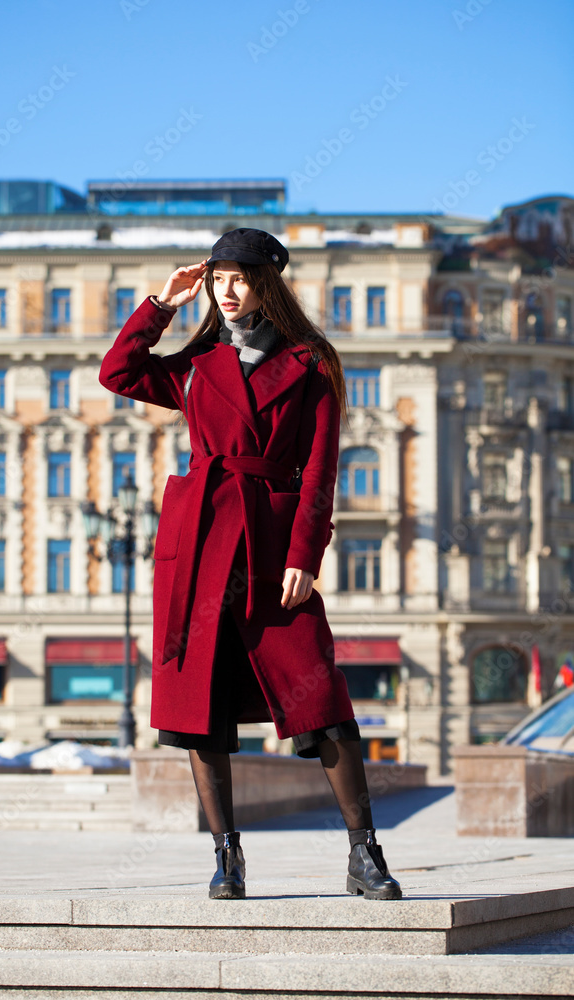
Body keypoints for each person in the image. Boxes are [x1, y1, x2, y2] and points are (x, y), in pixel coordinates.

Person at [99, 228, 401, 901]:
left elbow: (321, 470)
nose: (226, 291)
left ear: (269, 280)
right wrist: (161, 303)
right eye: (217, 279)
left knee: (319, 694)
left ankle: (364, 854)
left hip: (270, 541)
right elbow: (117, 372)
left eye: (239, 278)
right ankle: (226, 856)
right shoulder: (194, 361)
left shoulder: (309, 362)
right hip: (200, 542)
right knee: (200, 704)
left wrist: (304, 553)